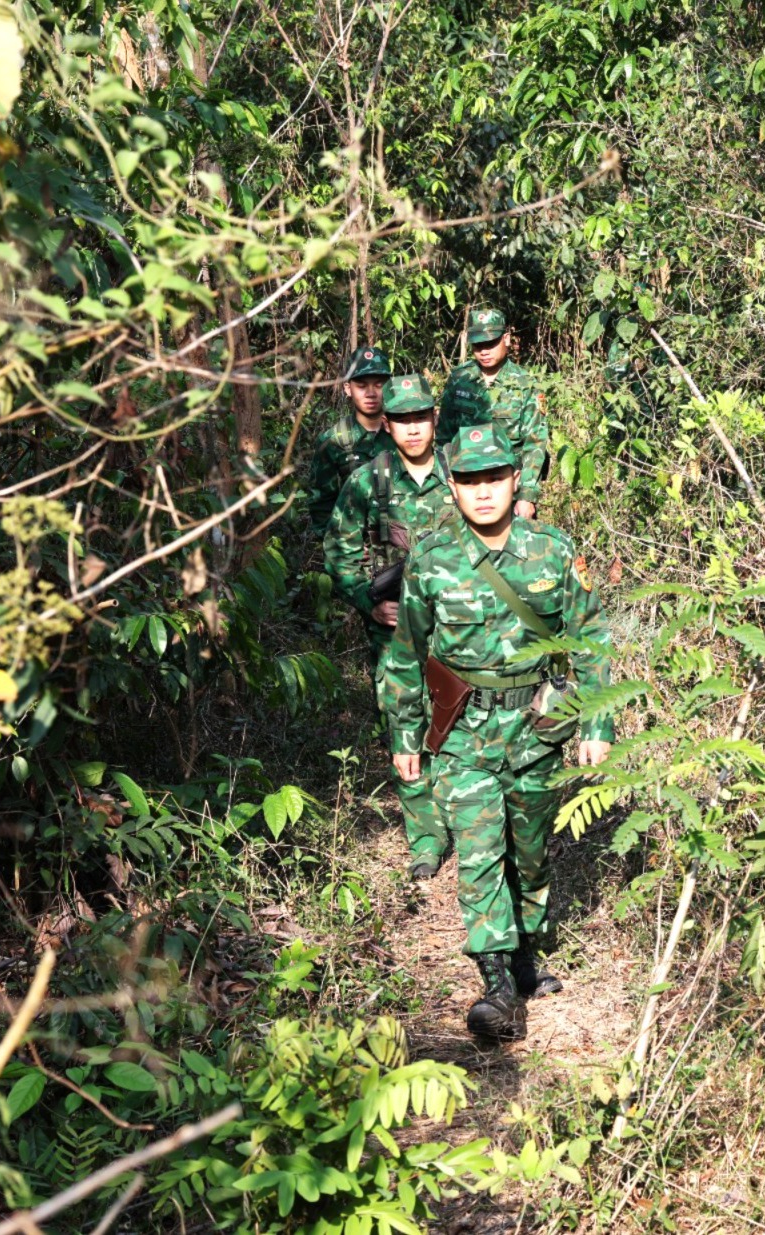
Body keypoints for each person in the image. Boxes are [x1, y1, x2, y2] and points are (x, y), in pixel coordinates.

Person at [378, 425, 614, 1041]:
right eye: (469, 481)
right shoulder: (431, 558)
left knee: (529, 854)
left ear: (515, 481)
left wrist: (596, 720)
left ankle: (526, 952)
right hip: (461, 732)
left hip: (535, 729)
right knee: (480, 854)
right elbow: (406, 652)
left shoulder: (554, 551)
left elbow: (590, 639)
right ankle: (498, 986)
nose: (483, 493)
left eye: (493, 479)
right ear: (453, 488)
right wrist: (405, 734)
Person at [322, 375, 457, 878]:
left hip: (459, 629)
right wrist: (366, 601)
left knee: (462, 723)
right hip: (396, 633)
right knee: (404, 726)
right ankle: (425, 839)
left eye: (420, 417)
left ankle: (469, 822)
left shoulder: (459, 472)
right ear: (387, 423)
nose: (413, 428)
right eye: (401, 420)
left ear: (434, 418)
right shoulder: (368, 481)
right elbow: (339, 550)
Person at [439, 308, 551, 519]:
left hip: (509, 489)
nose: (484, 351)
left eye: (490, 343)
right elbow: (444, 439)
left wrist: (527, 496)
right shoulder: (459, 380)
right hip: (467, 488)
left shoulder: (525, 384)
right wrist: (448, 487)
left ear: (506, 339)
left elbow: (535, 442)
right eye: (478, 345)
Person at [302, 345, 393, 536]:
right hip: (357, 551)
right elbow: (321, 505)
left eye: (379, 384)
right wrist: (337, 549)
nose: (370, 393)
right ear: (347, 389)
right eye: (361, 385)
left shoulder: (406, 432)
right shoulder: (333, 442)